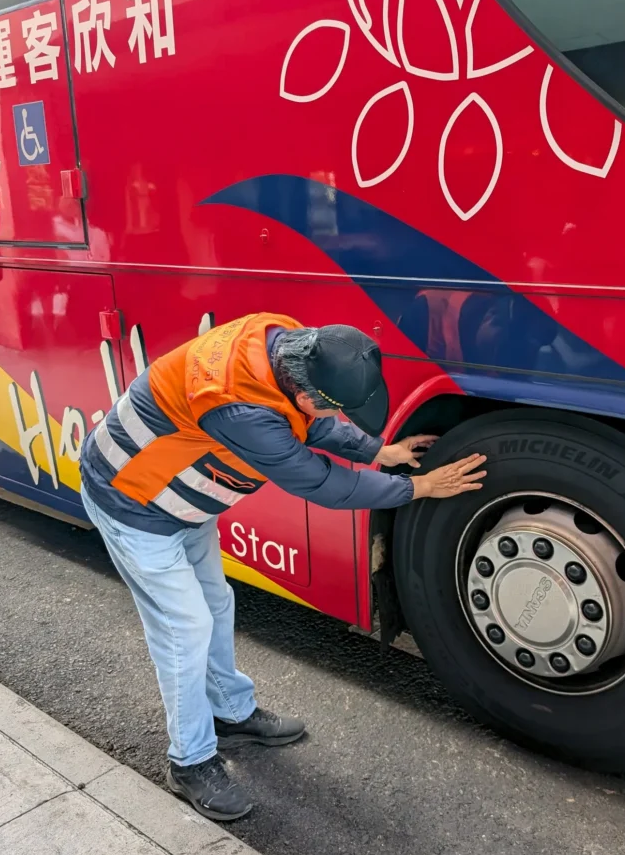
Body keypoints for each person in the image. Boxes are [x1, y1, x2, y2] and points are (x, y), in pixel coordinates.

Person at [79, 312, 486, 821]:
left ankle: (230, 712)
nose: (328, 413)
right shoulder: (238, 408)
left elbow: (312, 421)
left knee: (216, 604)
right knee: (185, 627)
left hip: (183, 502)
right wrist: (417, 487)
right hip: (133, 503)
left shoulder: (284, 344)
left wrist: (379, 451)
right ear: (305, 390)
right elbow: (322, 483)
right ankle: (190, 761)